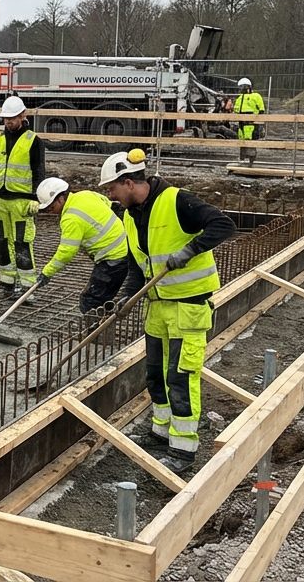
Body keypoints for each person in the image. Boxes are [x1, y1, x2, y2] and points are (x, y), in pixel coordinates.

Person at [100, 148, 235, 473]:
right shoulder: (130, 217)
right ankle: (161, 433)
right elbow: (138, 266)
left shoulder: (177, 201)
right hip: (158, 307)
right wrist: (128, 297)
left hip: (188, 307)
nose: (110, 196)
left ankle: (183, 449)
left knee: (180, 377)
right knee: (155, 374)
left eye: (111, 189)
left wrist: (190, 250)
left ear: (128, 183)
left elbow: (223, 225)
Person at [0, 96, 46, 300]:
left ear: (22, 116)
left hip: (21, 202)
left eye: (12, 118)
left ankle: (27, 289)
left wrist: (37, 197)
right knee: (2, 243)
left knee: (22, 244)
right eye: (6, 118)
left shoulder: (33, 141)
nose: (8, 122)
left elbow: (38, 171)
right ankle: (6, 284)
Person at [34, 177, 130, 315]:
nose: (49, 210)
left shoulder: (70, 218)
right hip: (124, 249)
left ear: (61, 198)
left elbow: (67, 251)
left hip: (113, 260)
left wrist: (46, 273)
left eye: (51, 206)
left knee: (90, 301)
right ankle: (104, 325)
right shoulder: (85, 194)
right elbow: (107, 204)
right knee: (101, 298)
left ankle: (97, 334)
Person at [232, 78, 265, 165]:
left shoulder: (256, 96)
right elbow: (236, 109)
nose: (240, 89)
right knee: (242, 142)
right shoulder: (239, 98)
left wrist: (259, 122)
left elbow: (261, 109)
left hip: (251, 123)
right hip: (241, 123)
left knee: (250, 142)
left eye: (241, 87)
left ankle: (251, 161)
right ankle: (242, 159)